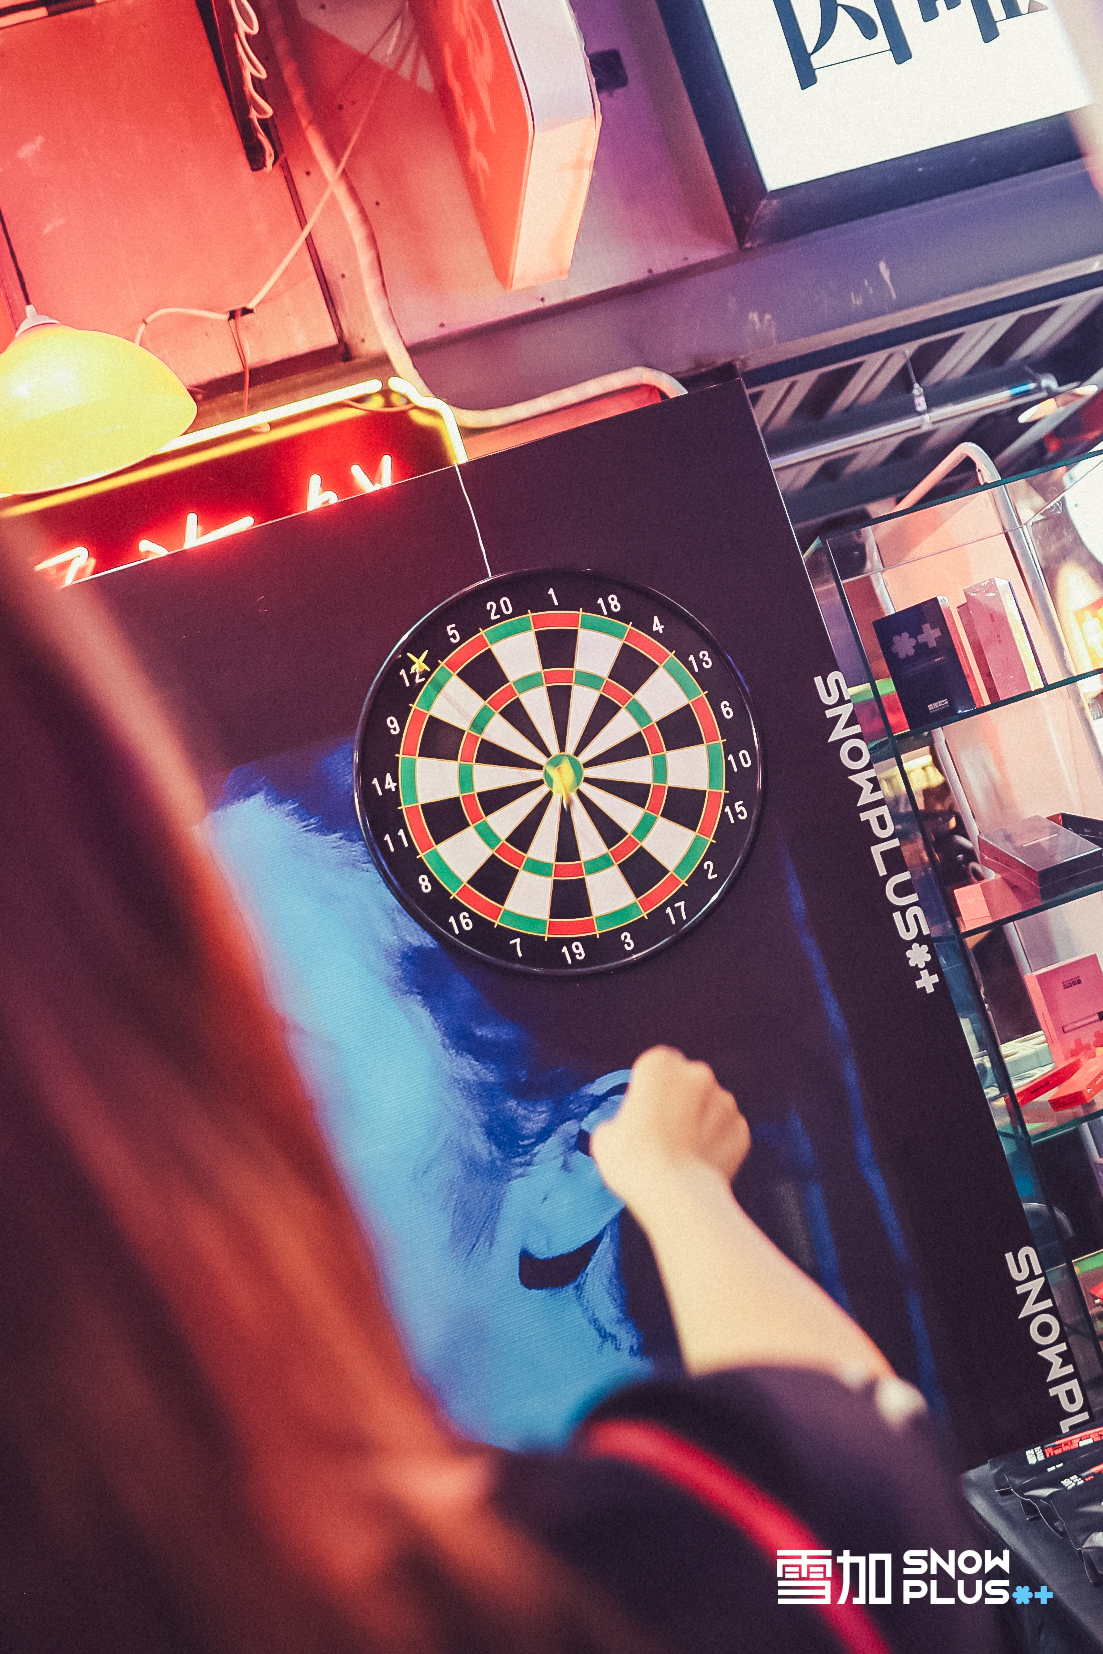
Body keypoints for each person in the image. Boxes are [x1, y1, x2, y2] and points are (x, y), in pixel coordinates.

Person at [0, 545, 997, 1654]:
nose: (175, 1167)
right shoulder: (659, 1582)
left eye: (259, 1069)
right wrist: (677, 1188)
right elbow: (891, 1538)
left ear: (565, 1176)